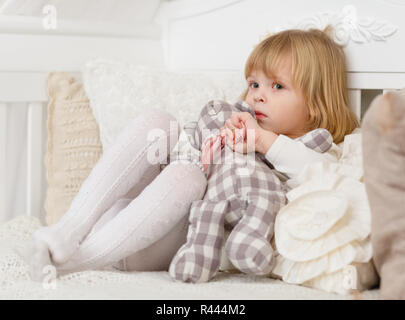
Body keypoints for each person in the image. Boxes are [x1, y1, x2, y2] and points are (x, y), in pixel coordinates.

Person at [28, 26, 359, 281]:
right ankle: (68, 228)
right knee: (159, 124)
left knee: (187, 176)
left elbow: (323, 173)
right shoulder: (238, 118)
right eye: (254, 84)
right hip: (119, 215)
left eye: (276, 87)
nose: (257, 96)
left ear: (315, 106)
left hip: (144, 244)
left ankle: (78, 260)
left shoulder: (320, 151)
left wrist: (263, 141)